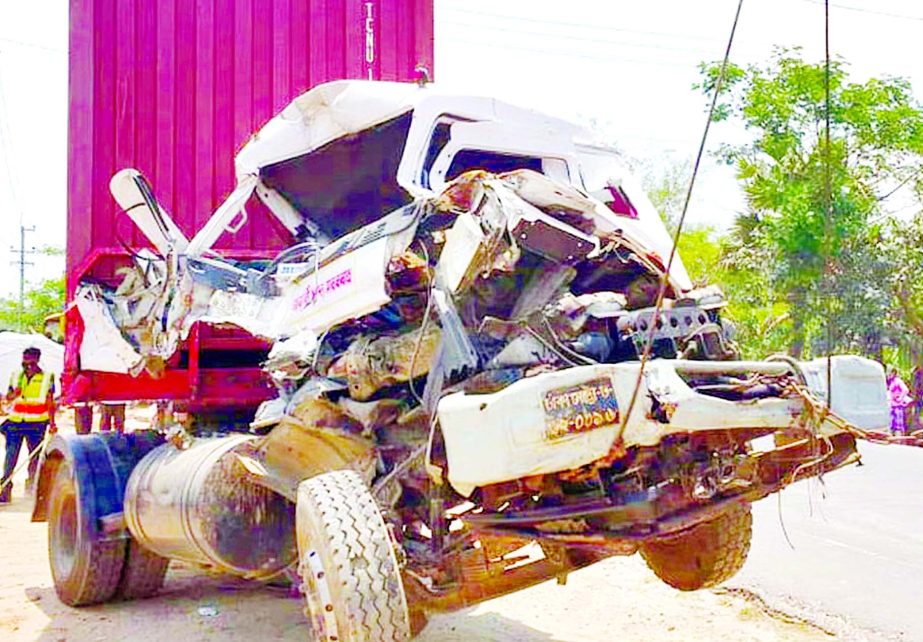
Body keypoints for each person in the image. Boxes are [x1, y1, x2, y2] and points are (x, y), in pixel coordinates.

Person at [0, 347, 56, 503]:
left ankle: (32, 488)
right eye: (25, 363)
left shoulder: (47, 377)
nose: (27, 366)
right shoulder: (16, 375)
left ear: (37, 360)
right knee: (10, 456)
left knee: (34, 457)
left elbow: (50, 401)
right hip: (16, 422)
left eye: (31, 363)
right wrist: (14, 394)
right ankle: (5, 488)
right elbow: (8, 397)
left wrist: (52, 423)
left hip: (37, 424)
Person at [886, 367, 912, 436]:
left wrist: (900, 398)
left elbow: (905, 390)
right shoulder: (891, 381)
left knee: (898, 425)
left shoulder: (898, 381)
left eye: (890, 373)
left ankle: (899, 439)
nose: (888, 374)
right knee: (892, 425)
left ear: (893, 373)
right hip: (892, 406)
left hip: (898, 406)